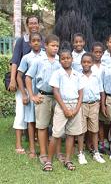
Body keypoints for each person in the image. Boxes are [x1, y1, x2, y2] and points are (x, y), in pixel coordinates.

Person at [43, 49, 84, 171]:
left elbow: (81, 93)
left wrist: (76, 109)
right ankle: (48, 161)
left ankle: (68, 160)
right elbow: (55, 92)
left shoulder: (77, 74)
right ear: (59, 60)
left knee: (71, 135)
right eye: (63, 58)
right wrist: (65, 109)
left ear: (72, 59)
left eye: (68, 58)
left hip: (75, 105)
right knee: (56, 134)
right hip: (62, 106)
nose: (66, 60)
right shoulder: (57, 73)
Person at [25, 34, 61, 165]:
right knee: (42, 126)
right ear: (45, 46)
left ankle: (57, 153)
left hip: (57, 97)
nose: (55, 48)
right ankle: (44, 153)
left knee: (57, 126)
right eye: (52, 45)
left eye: (57, 46)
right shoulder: (39, 61)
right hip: (43, 96)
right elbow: (28, 77)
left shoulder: (60, 61)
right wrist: (32, 95)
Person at [8, 15, 41, 154]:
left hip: (37, 84)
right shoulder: (22, 41)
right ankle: (18, 144)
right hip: (22, 82)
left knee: (36, 113)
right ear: (27, 25)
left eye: (35, 23)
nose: (33, 25)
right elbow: (15, 61)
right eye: (31, 23)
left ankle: (37, 140)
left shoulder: (42, 40)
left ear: (39, 25)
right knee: (21, 112)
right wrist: (13, 79)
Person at [16, 32, 45, 158]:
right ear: (30, 43)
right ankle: (32, 149)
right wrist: (24, 94)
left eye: (38, 40)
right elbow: (19, 76)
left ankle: (43, 146)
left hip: (43, 94)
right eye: (34, 41)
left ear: (42, 42)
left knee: (42, 121)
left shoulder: (46, 55)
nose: (36, 43)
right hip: (31, 92)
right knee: (31, 121)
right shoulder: (26, 58)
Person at [79, 53, 106, 164]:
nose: (86, 64)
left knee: (94, 130)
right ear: (81, 63)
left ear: (92, 63)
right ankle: (80, 153)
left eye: (89, 62)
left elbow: (101, 91)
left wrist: (102, 104)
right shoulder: (77, 76)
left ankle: (96, 152)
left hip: (94, 104)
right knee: (81, 130)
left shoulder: (96, 76)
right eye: (84, 62)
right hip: (82, 104)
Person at [91, 42, 110, 154]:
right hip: (93, 96)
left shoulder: (105, 67)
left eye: (100, 52)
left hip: (104, 96)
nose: (98, 54)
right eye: (95, 52)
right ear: (92, 52)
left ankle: (104, 141)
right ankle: (96, 142)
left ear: (103, 53)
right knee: (95, 121)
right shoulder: (90, 65)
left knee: (104, 120)